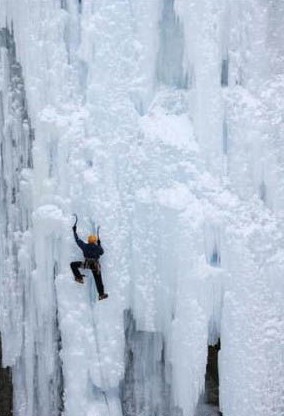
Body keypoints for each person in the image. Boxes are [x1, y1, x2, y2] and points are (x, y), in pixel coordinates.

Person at [70, 224, 108, 300]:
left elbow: (77, 240)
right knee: (98, 280)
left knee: (73, 264)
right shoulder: (97, 248)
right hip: (95, 266)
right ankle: (101, 294)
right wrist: (99, 244)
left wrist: (74, 231)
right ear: (94, 241)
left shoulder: (85, 246)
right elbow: (102, 252)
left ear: (89, 241)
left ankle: (79, 277)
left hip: (87, 264)